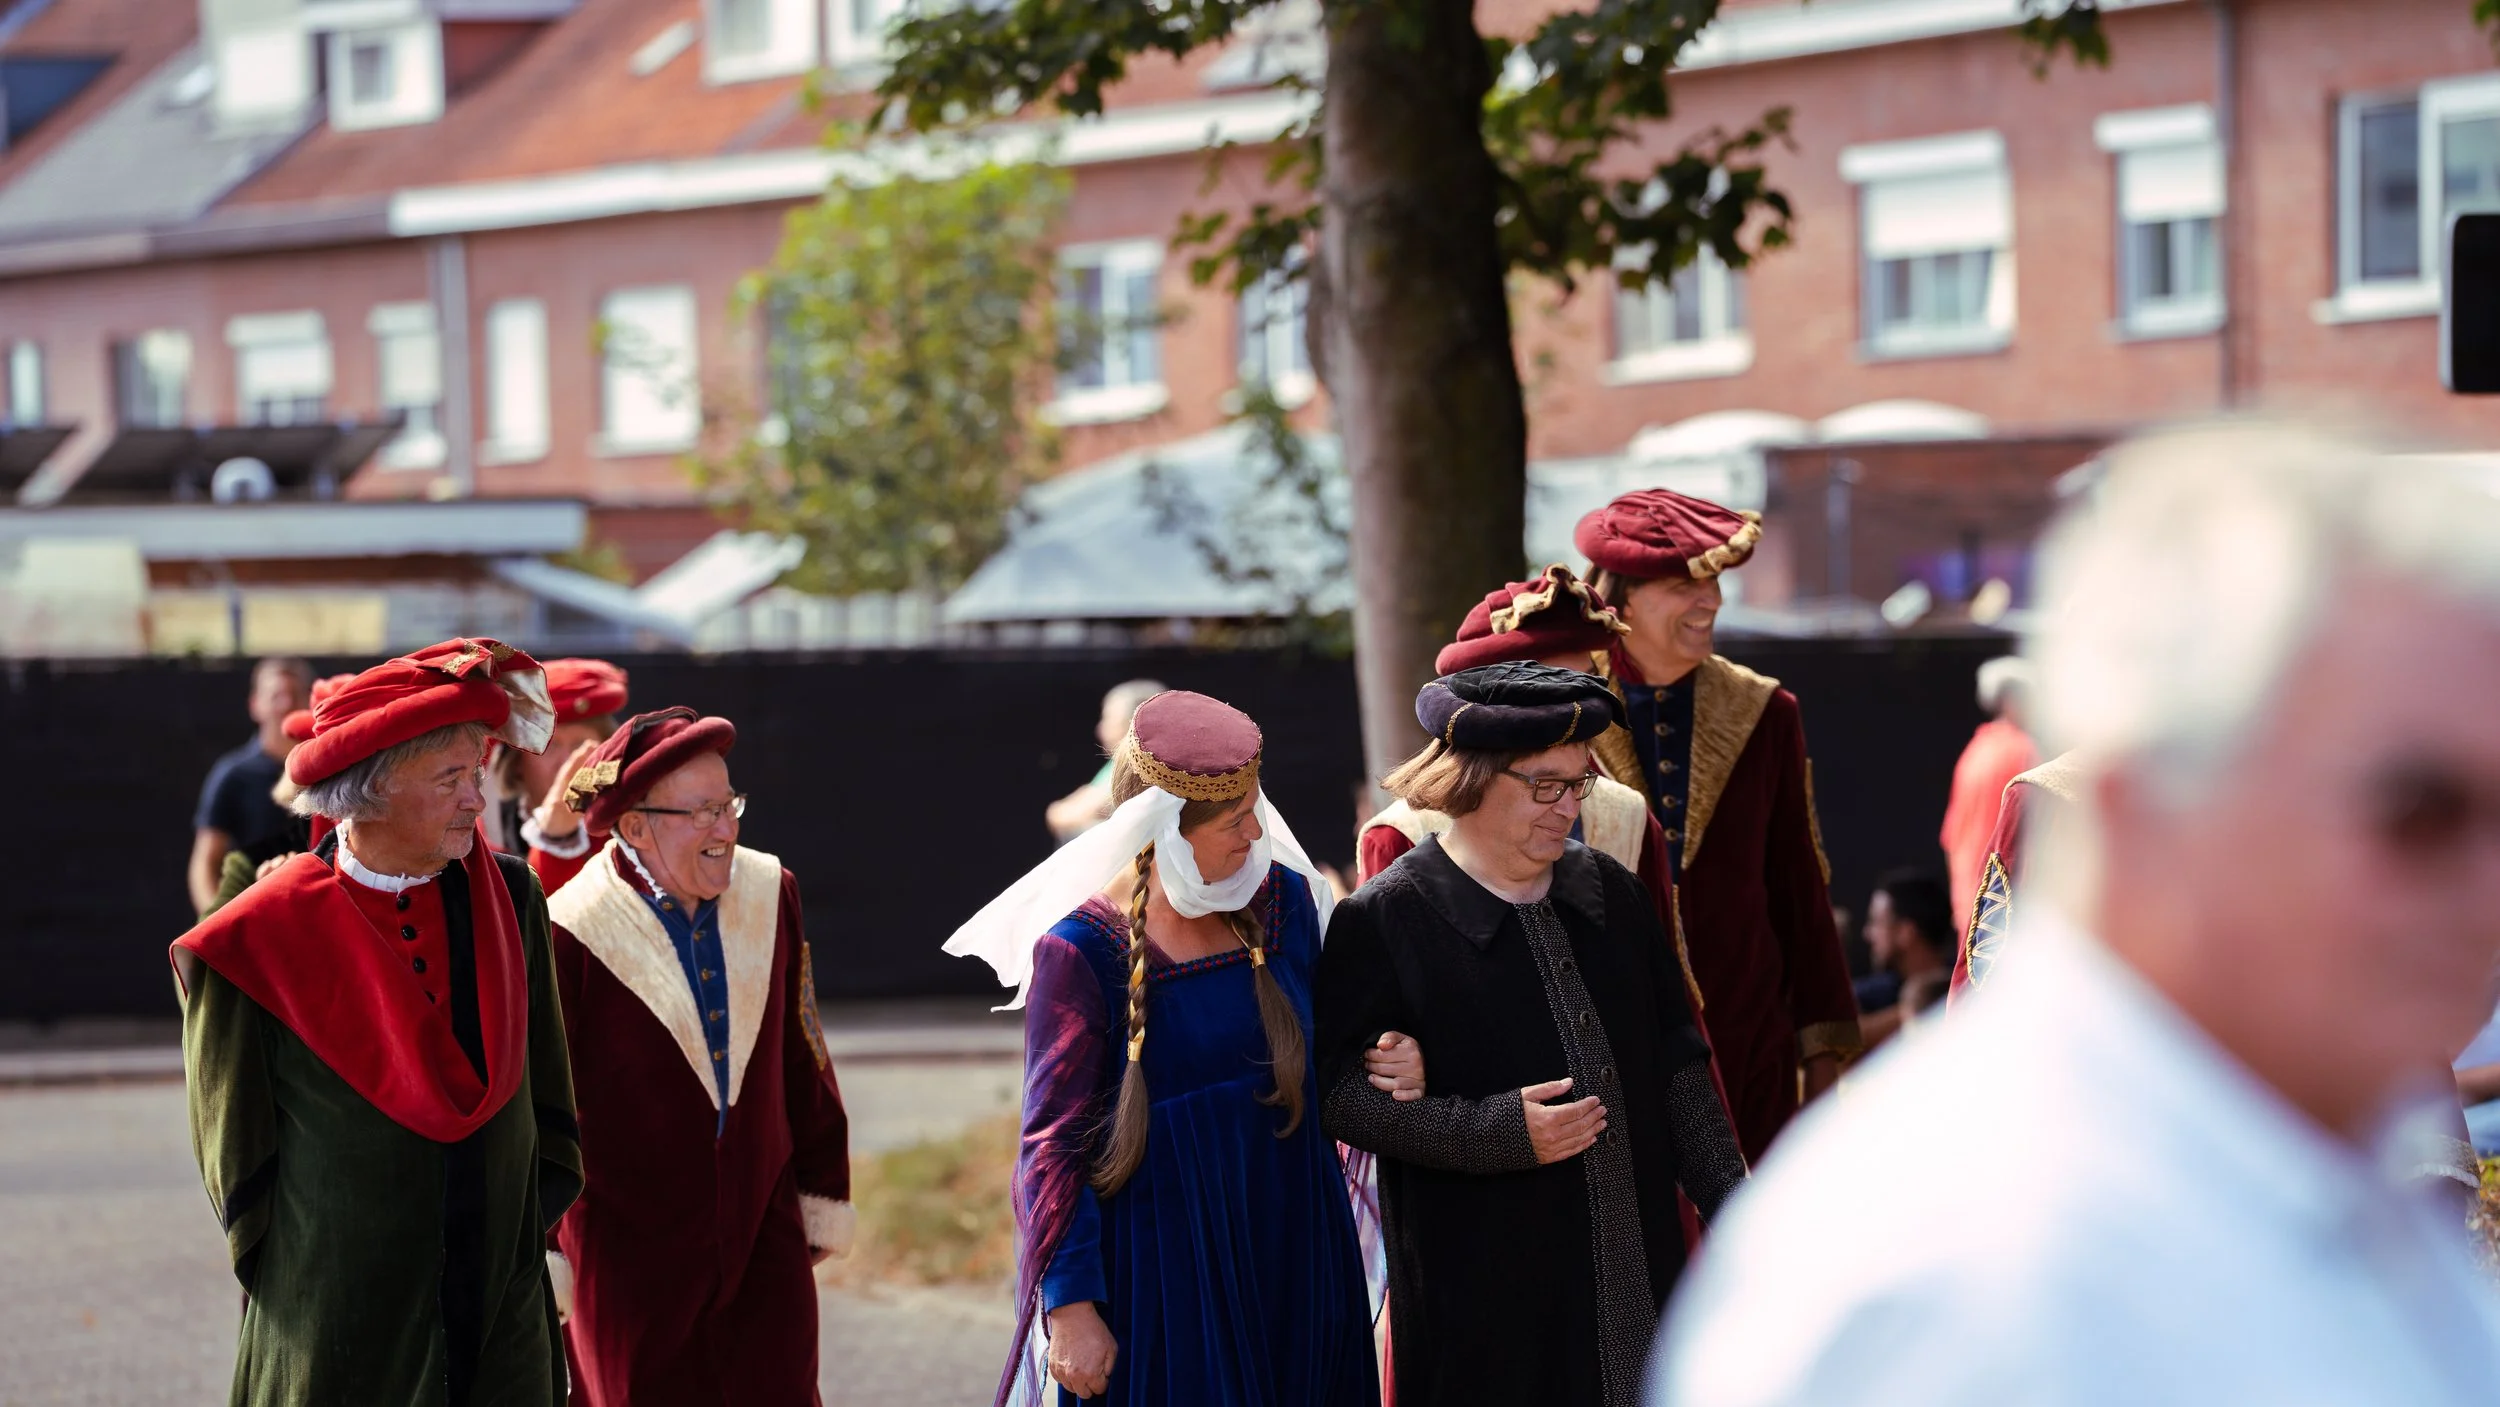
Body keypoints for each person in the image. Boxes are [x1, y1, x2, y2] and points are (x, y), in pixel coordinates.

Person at [1649, 426, 2500, 1406]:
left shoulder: (2346, 1146)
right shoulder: (1946, 1274)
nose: (2481, 888)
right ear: (2152, 812)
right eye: (2414, 812)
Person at [1318, 662, 1748, 1407]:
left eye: (1576, 783)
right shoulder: (1384, 917)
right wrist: (1492, 1131)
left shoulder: (1611, 892)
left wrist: (1740, 1211)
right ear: (1474, 779)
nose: (1567, 808)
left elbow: (1679, 1066)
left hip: (1639, 1273)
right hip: (1482, 1297)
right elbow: (1339, 1096)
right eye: (1544, 785)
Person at [946, 689, 1387, 1407]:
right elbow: (1051, 1148)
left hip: (1296, 1251)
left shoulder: (1285, 906)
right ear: (1166, 833)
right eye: (1233, 822)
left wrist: (1386, 1055)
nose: (1256, 833)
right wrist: (1073, 1306)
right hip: (1163, 1278)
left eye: (1255, 809)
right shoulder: (1084, 950)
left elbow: (1332, 1053)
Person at [172, 638, 581, 1407]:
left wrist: (514, 1245)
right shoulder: (250, 938)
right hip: (335, 1315)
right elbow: (234, 1151)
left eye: (476, 773)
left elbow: (549, 1097)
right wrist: (321, 1265)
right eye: (451, 776)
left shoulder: (515, 900)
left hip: (500, 1303)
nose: (475, 798)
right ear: (373, 790)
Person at [544, 706, 852, 1405]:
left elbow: (803, 1044)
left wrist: (823, 1182)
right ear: (634, 826)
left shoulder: (772, 889)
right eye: (701, 812)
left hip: (762, 1226)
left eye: (729, 803)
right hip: (627, 1253)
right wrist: (544, 1242)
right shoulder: (569, 925)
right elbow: (543, 1106)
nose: (726, 828)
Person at [1578, 489, 1860, 1161]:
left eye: (1714, 583)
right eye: (1683, 585)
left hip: (1746, 1048)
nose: (1712, 601)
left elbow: (1800, 890)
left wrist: (1824, 1057)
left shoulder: (1765, 711)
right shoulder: (1555, 703)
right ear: (1620, 599)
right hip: (1603, 1049)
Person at [187, 656, 311, 914]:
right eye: (276, 696)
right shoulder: (232, 775)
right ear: (255, 705)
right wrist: (214, 925)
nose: (286, 704)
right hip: (254, 918)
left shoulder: (329, 771)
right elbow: (205, 861)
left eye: (295, 694)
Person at [485, 656, 627, 867]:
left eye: (582, 745)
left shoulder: (629, 839)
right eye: (550, 746)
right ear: (516, 764)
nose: (567, 762)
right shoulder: (480, 834)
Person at [1939, 657, 2038, 939]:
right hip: (2007, 917)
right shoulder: (2024, 751)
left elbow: (1950, 838)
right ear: (2010, 700)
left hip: (1971, 911)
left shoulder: (1973, 753)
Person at [1044, 678, 1166, 842]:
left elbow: (1073, 813)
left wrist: (1070, 811)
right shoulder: (1117, 763)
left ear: (1134, 723)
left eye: (1109, 719)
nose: (1100, 728)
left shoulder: (1141, 767)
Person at [1853, 870, 1953, 1051]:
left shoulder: (1971, 982)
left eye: (1876, 922)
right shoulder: (1870, 996)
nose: (1867, 934)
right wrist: (1926, 1007)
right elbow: (1848, 1040)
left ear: (1906, 931)